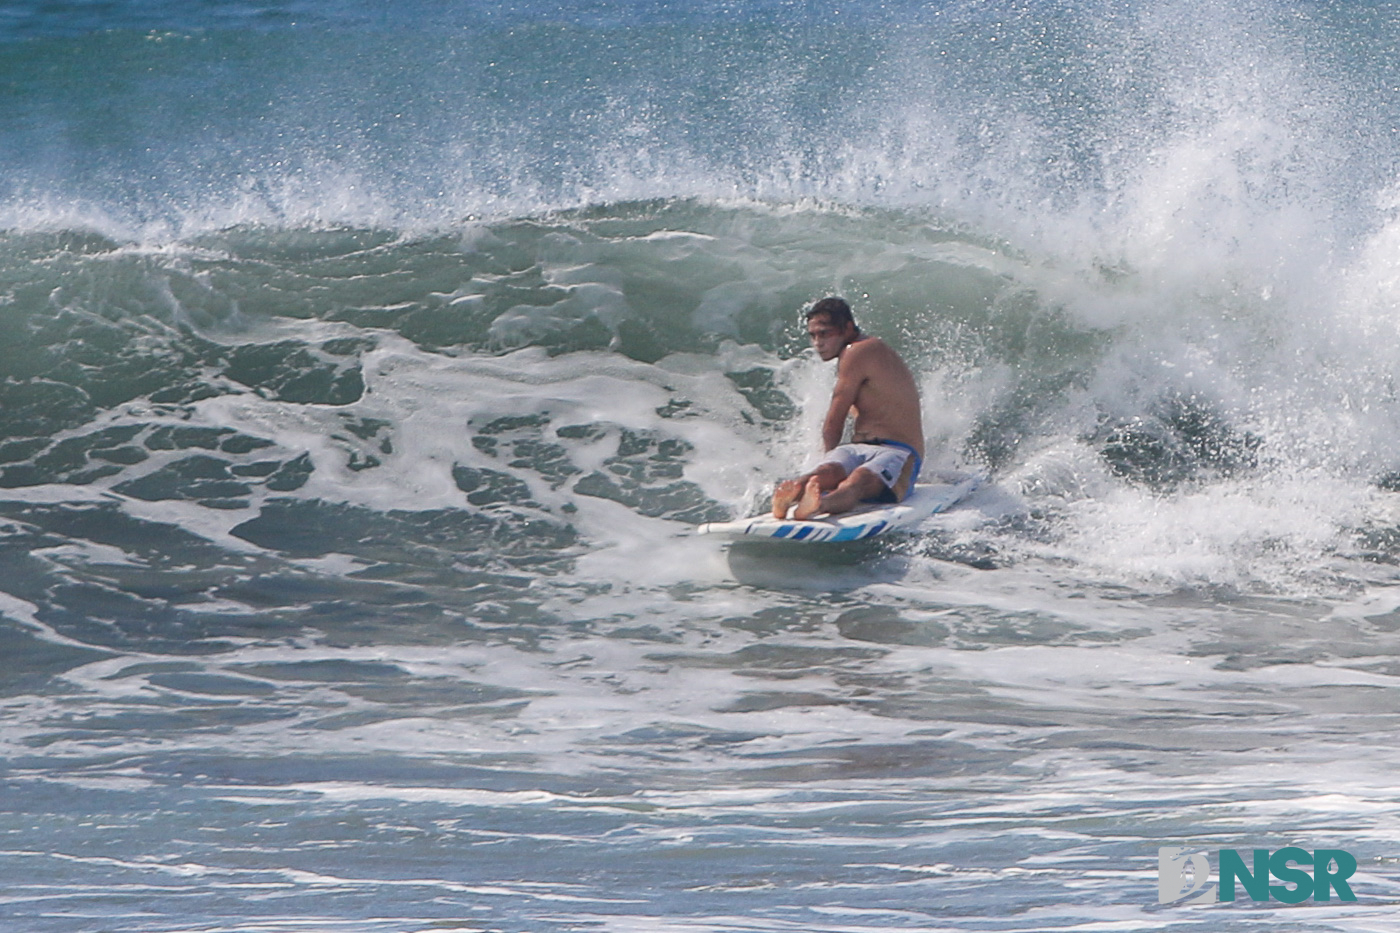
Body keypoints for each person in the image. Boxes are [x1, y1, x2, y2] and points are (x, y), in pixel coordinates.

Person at [772, 297, 925, 521]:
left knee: (856, 479)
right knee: (828, 473)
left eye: (824, 333)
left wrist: (830, 457)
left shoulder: (858, 351)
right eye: (813, 335)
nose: (817, 343)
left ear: (848, 328)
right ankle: (803, 496)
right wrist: (831, 463)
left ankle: (812, 500)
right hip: (858, 449)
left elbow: (835, 419)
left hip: (897, 451)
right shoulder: (861, 352)